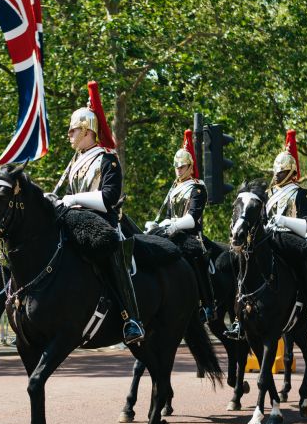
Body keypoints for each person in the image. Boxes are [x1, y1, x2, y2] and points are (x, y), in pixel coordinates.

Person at [53, 81, 144, 345]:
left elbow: (108, 198)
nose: (69, 135)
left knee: (110, 250)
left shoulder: (107, 159)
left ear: (85, 131)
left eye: (72, 131)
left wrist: (73, 198)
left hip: (101, 220)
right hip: (72, 218)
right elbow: (63, 194)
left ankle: (131, 318)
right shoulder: (75, 161)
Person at [228, 130, 307, 339]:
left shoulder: (300, 193)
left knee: (305, 257)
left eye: (281, 172)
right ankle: (238, 317)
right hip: (268, 238)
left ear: (290, 171)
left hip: (291, 238)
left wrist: (284, 221)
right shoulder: (268, 195)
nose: (277, 174)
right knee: (242, 259)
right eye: (276, 171)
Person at [145, 130, 215, 323]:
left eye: (182, 166)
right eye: (176, 166)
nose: (178, 169)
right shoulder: (174, 189)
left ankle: (208, 304)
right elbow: (168, 215)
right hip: (171, 231)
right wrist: (158, 225)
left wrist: (174, 226)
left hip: (190, 234)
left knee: (196, 256)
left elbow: (193, 218)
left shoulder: (198, 187)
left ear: (190, 166)